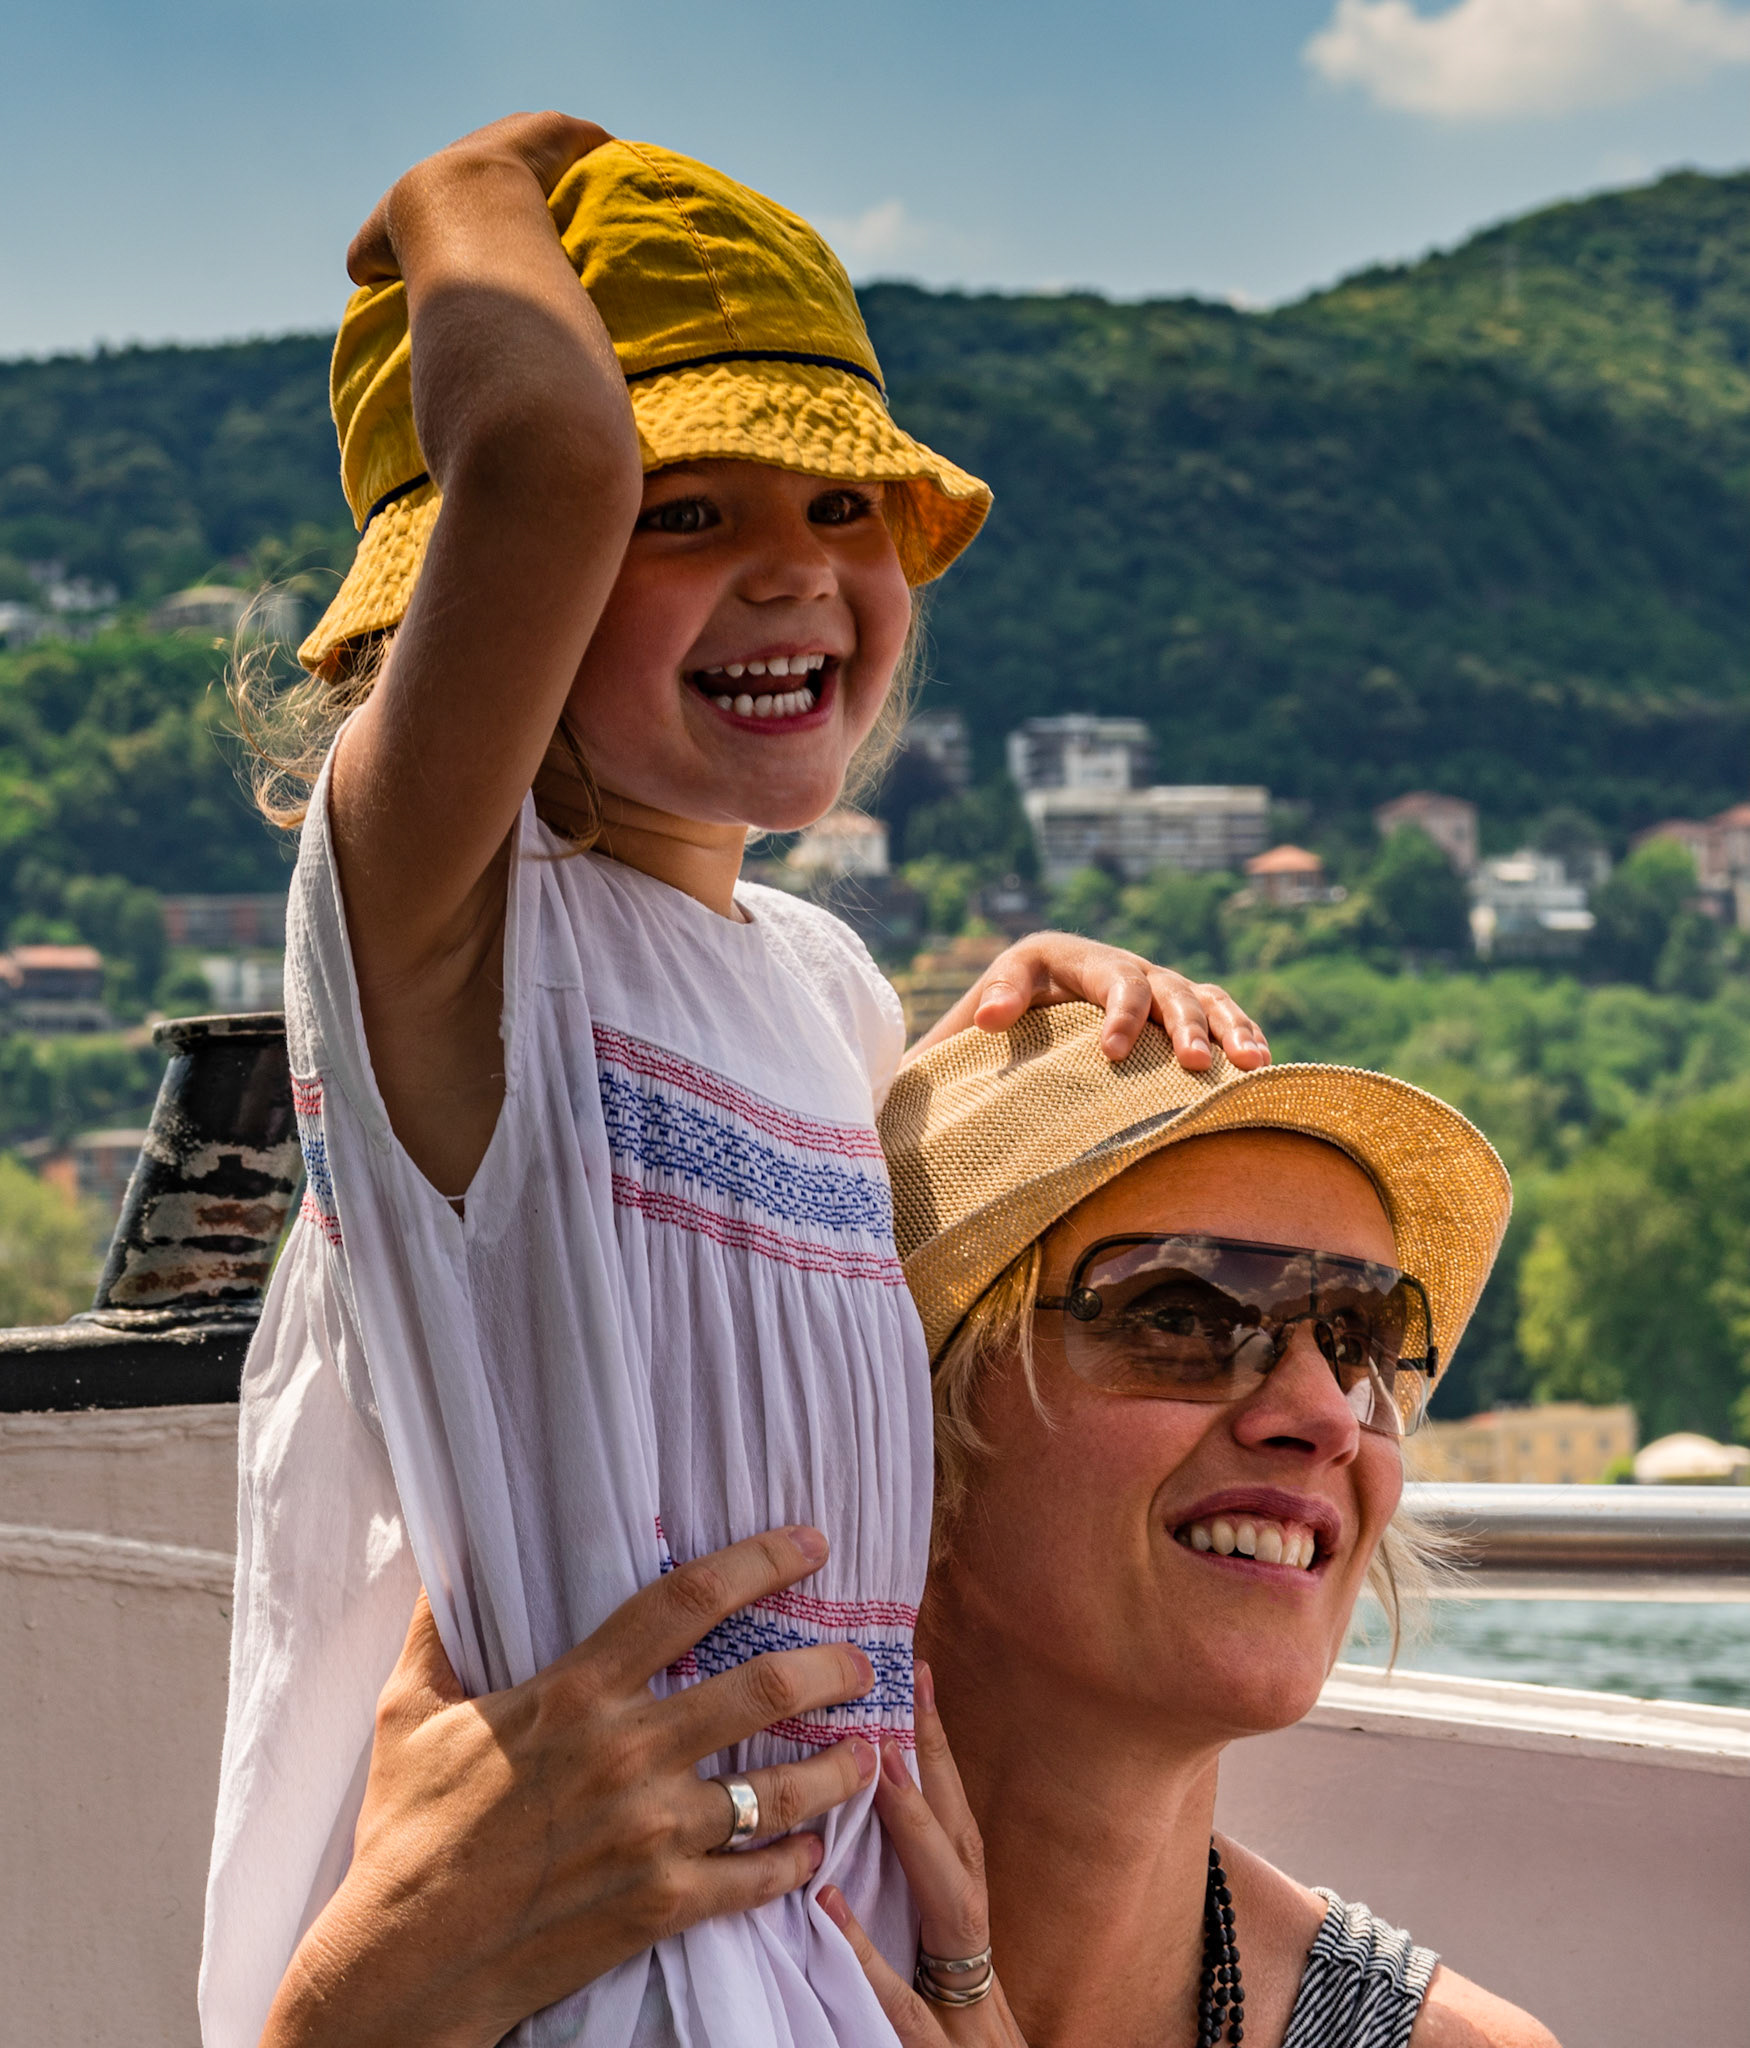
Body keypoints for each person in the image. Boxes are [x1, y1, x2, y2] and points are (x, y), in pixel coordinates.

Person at [205, 115, 1271, 2048]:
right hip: (580, 1977)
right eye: (683, 514)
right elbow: (547, 458)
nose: (796, 571)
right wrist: (463, 190)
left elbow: (770, 1285)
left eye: (844, 506)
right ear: (472, 592)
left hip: (814, 1958)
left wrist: (997, 1043)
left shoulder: (822, 984)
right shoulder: (458, 932)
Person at [818, 1002, 1559, 2046]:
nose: (1322, 1417)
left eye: (1358, 1341)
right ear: (910, 1417)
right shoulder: (627, 1963)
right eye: (1181, 1318)